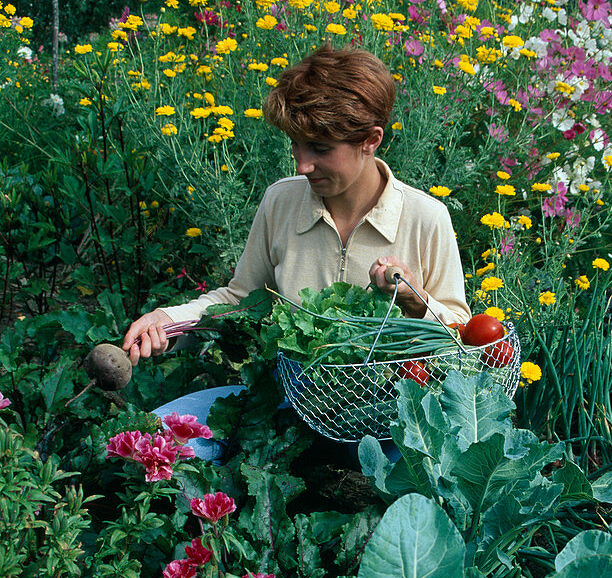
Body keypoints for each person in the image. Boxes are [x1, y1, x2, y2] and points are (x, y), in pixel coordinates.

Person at [122, 44, 470, 365]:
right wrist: (169, 322)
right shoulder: (281, 202)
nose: (302, 165)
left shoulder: (426, 218)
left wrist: (416, 299)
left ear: (370, 140)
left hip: (392, 415)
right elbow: (239, 301)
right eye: (296, 145)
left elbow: (465, 338)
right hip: (292, 404)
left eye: (320, 148)